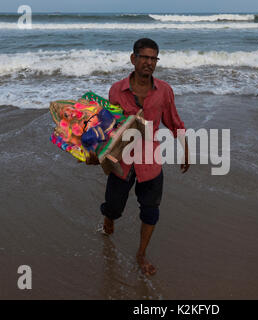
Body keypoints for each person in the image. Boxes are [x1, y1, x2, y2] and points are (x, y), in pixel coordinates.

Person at [85, 38, 190, 276]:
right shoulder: (116, 90)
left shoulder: (164, 91)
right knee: (113, 207)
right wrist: (94, 154)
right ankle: (109, 220)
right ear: (133, 59)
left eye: (154, 58)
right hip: (120, 160)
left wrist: (186, 149)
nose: (149, 63)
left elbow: (174, 122)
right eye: (144, 57)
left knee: (151, 210)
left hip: (150, 161)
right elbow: (106, 128)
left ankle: (141, 253)